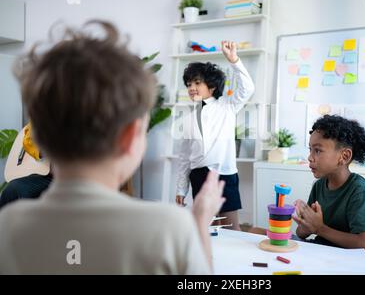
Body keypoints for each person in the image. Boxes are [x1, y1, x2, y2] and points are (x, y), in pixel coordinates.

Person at [0, 20, 225, 274]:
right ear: (130, 138)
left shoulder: (8, 227)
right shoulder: (171, 230)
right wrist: (199, 226)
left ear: (39, 137)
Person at [175, 41, 254, 231]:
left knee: (231, 228)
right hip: (199, 176)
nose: (191, 87)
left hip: (224, 174)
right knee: (206, 227)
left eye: (197, 82)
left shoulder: (227, 106)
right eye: (188, 84)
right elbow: (184, 157)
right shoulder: (188, 118)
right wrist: (181, 188)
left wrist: (234, 60)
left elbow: (248, 89)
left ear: (211, 87)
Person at [292, 115, 365, 251]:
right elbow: (301, 233)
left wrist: (320, 228)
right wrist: (305, 224)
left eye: (317, 150)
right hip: (320, 252)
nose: (310, 157)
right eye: (310, 149)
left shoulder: (359, 190)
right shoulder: (319, 185)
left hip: (347, 261)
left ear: (344, 156)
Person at [0, 123, 52, 209]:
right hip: (45, 174)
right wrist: (41, 151)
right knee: (11, 191)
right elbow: (29, 137)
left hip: (71, 177)